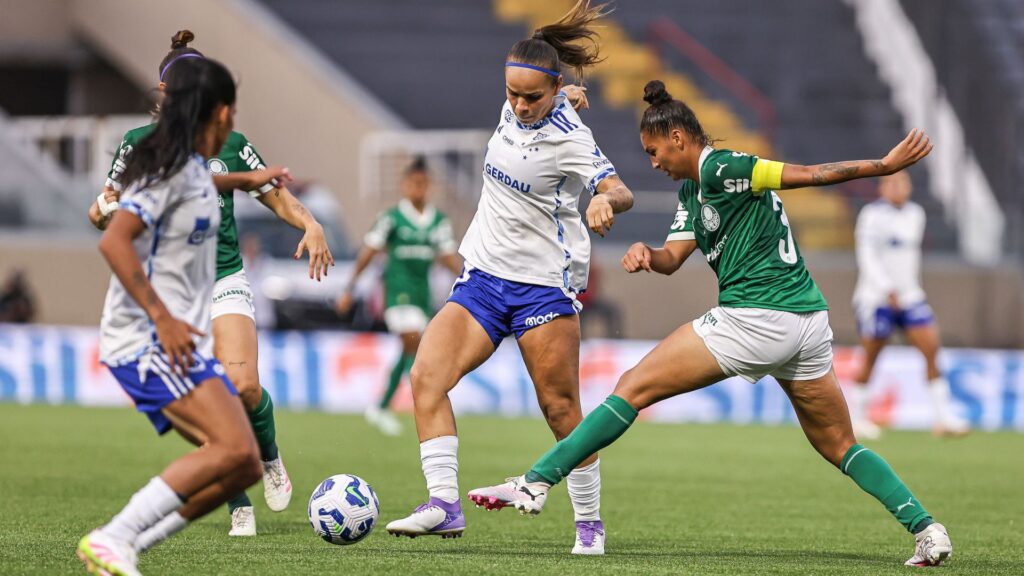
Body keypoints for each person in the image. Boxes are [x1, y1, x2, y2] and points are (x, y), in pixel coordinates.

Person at [469, 81, 954, 568]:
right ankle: (927, 529)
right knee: (839, 445)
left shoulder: (725, 166)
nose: (653, 162)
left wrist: (883, 167)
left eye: (654, 151)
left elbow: (810, 174)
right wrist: (647, 256)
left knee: (633, 387)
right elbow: (673, 258)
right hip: (807, 321)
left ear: (679, 138)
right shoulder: (691, 191)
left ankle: (535, 482)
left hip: (758, 317)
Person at [384, 0, 634, 556]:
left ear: (553, 89)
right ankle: (444, 506)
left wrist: (603, 201)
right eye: (512, 94)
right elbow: (533, 102)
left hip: (543, 286)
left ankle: (590, 525)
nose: (519, 106)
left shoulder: (572, 137)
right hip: (483, 278)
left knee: (561, 410)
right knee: (425, 376)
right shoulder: (519, 106)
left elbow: (619, 188)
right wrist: (559, 96)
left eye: (532, 97)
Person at [87, 31, 335, 537]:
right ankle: (234, 499)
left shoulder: (231, 147)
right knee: (213, 408)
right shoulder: (140, 147)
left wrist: (308, 222)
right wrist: (106, 209)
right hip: (171, 298)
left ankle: (267, 457)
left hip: (222, 277)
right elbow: (103, 211)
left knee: (242, 387)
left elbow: (267, 193)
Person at [77, 57, 263, 576]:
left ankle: (126, 546)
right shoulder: (169, 169)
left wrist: (251, 179)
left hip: (177, 339)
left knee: (243, 462)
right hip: (145, 338)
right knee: (227, 449)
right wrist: (160, 318)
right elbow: (114, 241)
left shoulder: (194, 165)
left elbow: (204, 187)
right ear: (222, 113)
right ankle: (113, 537)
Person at [335, 156, 461, 436]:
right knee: (412, 340)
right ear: (404, 185)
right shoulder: (391, 218)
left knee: (413, 349)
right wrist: (349, 288)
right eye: (413, 183)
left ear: (428, 186)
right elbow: (368, 252)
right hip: (398, 292)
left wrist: (473, 277)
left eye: (423, 184)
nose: (418, 189)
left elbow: (448, 256)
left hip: (423, 294)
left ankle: (384, 405)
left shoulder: (438, 220)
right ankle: (400, 403)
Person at [849, 172, 969, 439]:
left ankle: (943, 418)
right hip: (875, 298)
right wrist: (886, 288)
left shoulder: (916, 213)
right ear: (882, 187)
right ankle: (857, 418)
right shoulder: (872, 215)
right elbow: (867, 257)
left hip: (910, 296)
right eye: (892, 183)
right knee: (871, 356)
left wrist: (906, 290)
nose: (898, 187)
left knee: (931, 348)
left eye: (903, 182)